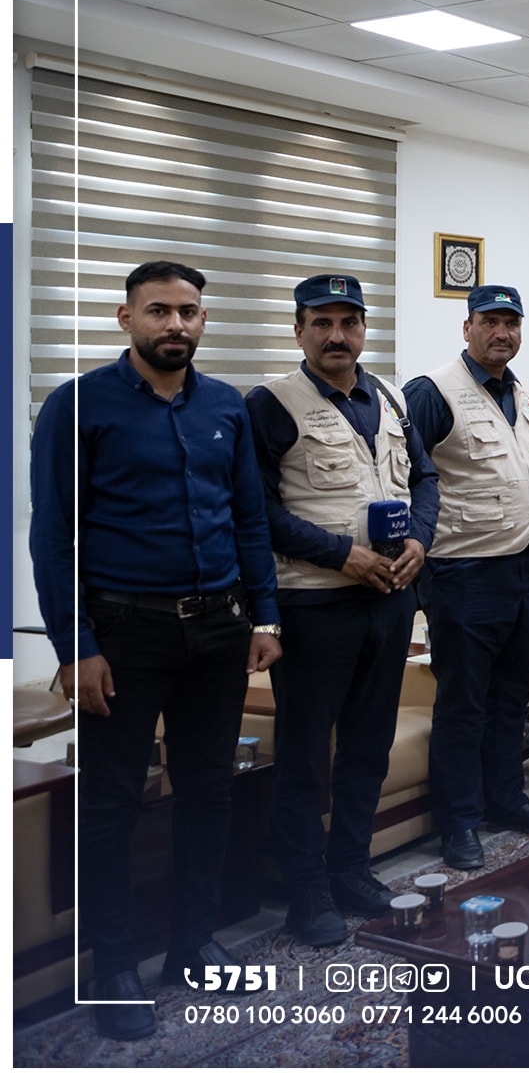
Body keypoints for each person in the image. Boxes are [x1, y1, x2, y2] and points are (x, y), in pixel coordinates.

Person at [29, 260, 282, 1041]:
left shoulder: (225, 405)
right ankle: (112, 968)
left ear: (203, 319)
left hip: (219, 627)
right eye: (159, 311)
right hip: (123, 634)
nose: (176, 324)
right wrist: (76, 645)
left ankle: (193, 946)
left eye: (189, 311)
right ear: (126, 318)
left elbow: (249, 517)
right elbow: (53, 536)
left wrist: (266, 618)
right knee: (111, 803)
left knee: (209, 790)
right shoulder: (78, 405)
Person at [246, 273, 438, 945]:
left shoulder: (389, 396)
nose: (337, 336)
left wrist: (420, 538)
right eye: (322, 323)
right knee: (306, 756)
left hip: (388, 601)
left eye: (348, 323)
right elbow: (257, 510)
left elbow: (425, 478)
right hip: (314, 606)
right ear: (298, 330)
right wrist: (339, 555)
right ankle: (307, 892)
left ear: (363, 329)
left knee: (367, 745)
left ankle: (351, 869)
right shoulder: (271, 403)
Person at [404, 285, 529, 872]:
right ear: (467, 327)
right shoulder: (432, 392)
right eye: (490, 322)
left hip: (525, 566)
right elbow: (406, 478)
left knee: (512, 697)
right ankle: (459, 820)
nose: (502, 333)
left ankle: (506, 798)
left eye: (511, 323)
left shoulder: (526, 396)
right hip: (464, 572)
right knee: (464, 703)